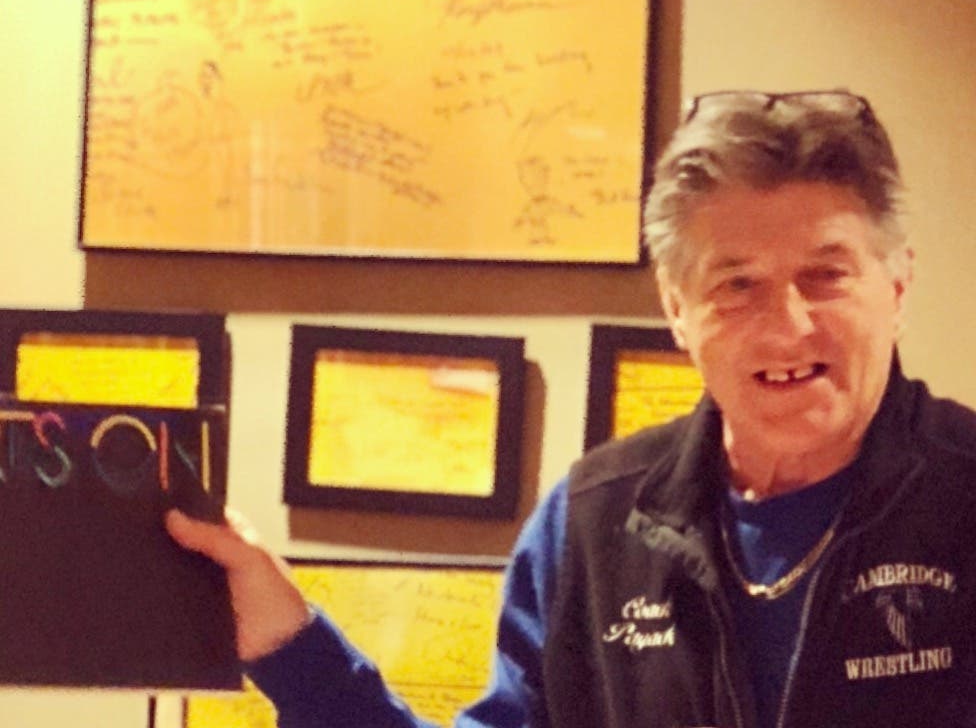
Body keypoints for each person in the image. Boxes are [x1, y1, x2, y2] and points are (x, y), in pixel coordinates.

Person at [167, 89, 976, 728]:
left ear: (897, 286)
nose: (788, 324)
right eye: (737, 284)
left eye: (826, 275)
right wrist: (289, 645)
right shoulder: (594, 521)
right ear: (678, 311)